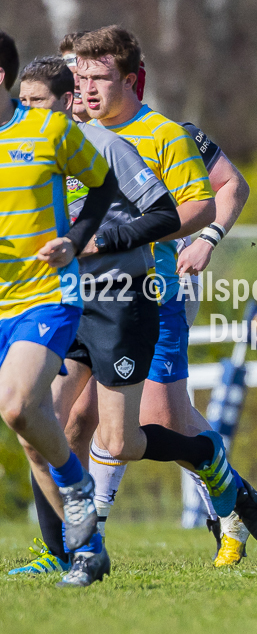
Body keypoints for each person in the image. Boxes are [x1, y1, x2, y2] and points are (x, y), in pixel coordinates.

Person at [62, 31, 257, 566]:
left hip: (152, 292)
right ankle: (70, 544)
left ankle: (228, 492)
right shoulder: (66, 136)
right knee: (64, 417)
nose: (81, 88)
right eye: (75, 77)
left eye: (92, 77)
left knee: (157, 417)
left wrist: (206, 240)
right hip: (79, 298)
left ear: (130, 80)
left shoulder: (171, 133)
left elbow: (228, 188)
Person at [10, 55, 180, 582]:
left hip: (117, 298)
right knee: (37, 426)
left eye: (38, 101)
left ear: (66, 102)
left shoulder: (102, 145)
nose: (30, 110)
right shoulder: (20, 145)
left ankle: (211, 461)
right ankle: (68, 552)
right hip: (52, 301)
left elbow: (167, 213)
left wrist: (94, 240)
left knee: (119, 439)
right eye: (27, 101)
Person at [0, 32, 116, 586]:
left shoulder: (49, 128)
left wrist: (75, 238)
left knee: (19, 406)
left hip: (46, 294)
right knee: (29, 430)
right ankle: (87, 550)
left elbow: (103, 184)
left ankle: (76, 490)